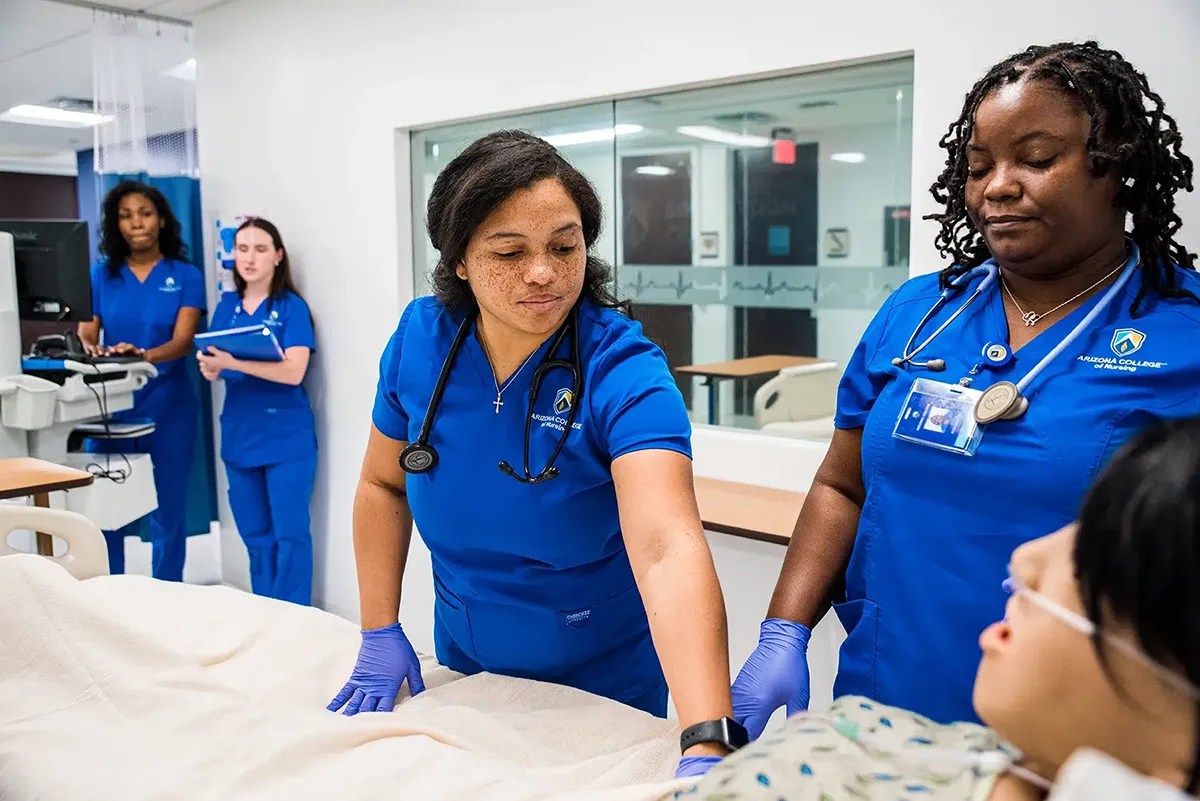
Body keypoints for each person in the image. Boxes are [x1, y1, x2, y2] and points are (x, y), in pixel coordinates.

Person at [731, 39, 1200, 733]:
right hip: (880, 704)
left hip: (1078, 731)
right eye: (979, 166)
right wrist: (785, 631)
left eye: (1037, 159)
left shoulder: (1182, 334)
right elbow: (842, 486)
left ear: (1118, 164)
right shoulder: (918, 311)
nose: (998, 186)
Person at [326, 130, 737, 779]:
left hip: (600, 687)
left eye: (563, 246)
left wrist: (708, 738)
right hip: (467, 667)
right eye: (509, 251)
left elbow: (667, 548)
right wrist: (378, 628)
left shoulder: (623, 369)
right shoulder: (419, 341)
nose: (543, 271)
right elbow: (382, 484)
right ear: (459, 259)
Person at [673, 416, 1200, 800]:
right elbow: (841, 482)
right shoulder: (842, 744)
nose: (1026, 561)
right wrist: (784, 634)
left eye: (1088, 564)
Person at [78, 180, 206, 581]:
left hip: (169, 402)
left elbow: (183, 341)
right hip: (112, 403)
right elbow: (87, 330)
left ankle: (166, 595)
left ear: (163, 220)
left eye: (145, 213)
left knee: (168, 507)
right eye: (125, 215)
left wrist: (143, 356)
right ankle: (109, 593)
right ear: (115, 225)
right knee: (107, 503)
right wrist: (93, 347)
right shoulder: (102, 275)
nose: (137, 223)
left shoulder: (185, 275)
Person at [197, 218, 317, 606]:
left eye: (260, 249)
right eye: (243, 249)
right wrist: (214, 367)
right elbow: (214, 365)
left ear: (278, 257)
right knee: (256, 537)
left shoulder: (292, 308)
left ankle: (295, 620)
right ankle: (264, 614)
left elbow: (294, 371)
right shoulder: (227, 307)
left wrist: (233, 363)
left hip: (286, 440)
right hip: (239, 437)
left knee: (290, 535)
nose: (250, 258)